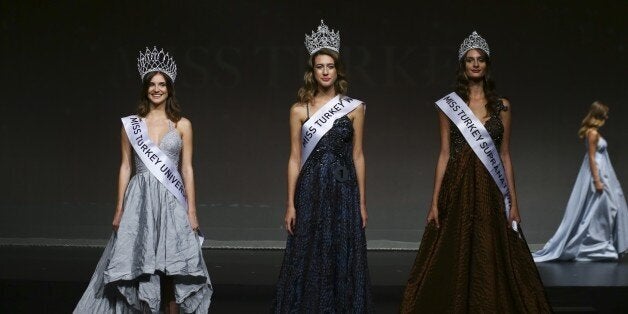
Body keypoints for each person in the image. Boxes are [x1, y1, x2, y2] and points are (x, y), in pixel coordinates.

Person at [400, 31, 551, 313]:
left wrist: (514, 203)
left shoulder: (501, 106)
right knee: (454, 247)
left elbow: (504, 155)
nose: (475, 64)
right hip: (456, 186)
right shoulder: (449, 106)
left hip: (491, 190)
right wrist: (434, 202)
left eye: (480, 59)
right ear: (463, 65)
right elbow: (444, 154)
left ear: (487, 65)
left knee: (490, 248)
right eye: (470, 60)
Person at [74, 47, 212, 313]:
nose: (157, 89)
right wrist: (119, 208)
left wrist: (192, 211)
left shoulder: (182, 124)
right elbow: (125, 167)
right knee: (142, 265)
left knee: (174, 266)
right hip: (140, 198)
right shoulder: (131, 125)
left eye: (162, 85)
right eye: (152, 84)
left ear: (170, 89)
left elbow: (188, 169)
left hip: (172, 200)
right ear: (145, 88)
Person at [272, 20, 372, 312]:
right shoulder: (298, 110)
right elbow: (294, 158)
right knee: (309, 252)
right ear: (312, 71)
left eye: (330, 66)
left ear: (338, 70)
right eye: (320, 66)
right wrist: (290, 203)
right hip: (311, 190)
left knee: (342, 250)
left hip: (343, 190)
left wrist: (362, 202)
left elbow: (358, 155)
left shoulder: (354, 108)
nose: (326, 71)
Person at [533, 101, 628, 262]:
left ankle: (601, 246)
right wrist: (597, 180)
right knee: (601, 210)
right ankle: (594, 248)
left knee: (605, 209)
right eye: (605, 113)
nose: (607, 116)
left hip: (604, 173)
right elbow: (591, 157)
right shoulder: (592, 133)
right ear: (599, 114)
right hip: (598, 174)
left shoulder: (595, 132)